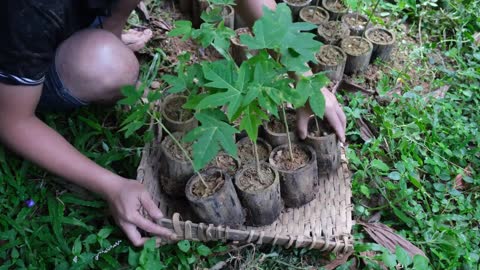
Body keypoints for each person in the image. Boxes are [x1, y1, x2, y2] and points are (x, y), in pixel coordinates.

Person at [0, 0, 346, 246]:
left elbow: (255, 6)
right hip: (17, 64)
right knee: (111, 66)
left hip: (60, 25)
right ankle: (92, 52)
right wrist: (110, 185)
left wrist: (307, 82)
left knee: (106, 48)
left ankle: (104, 34)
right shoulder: (29, 10)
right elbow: (13, 121)